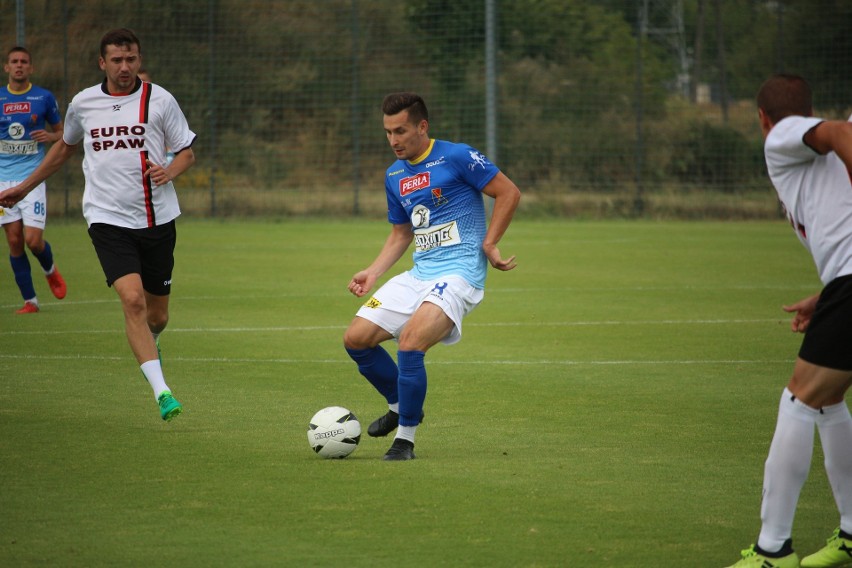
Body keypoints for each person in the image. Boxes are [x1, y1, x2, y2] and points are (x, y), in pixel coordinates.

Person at [0, 28, 196, 422]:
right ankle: (162, 392)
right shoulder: (84, 103)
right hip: (106, 219)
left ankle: (151, 343)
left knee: (157, 316)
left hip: (158, 219)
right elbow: (64, 148)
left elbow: (186, 152)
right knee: (132, 300)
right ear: (102, 63)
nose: (125, 67)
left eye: (132, 59)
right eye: (117, 60)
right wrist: (23, 188)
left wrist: (170, 171)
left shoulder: (160, 100)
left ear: (139, 61)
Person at [343, 92, 521, 461]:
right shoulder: (393, 175)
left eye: (401, 130)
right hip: (420, 272)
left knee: (410, 343)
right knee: (356, 339)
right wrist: (373, 272)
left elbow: (508, 192)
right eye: (388, 132)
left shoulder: (456, 156)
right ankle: (399, 405)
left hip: (460, 273)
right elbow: (401, 233)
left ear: (422, 127)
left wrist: (490, 243)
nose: (394, 140)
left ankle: (405, 439)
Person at [726, 74, 852, 568]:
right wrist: (826, 299)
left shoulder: (781, 137)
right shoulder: (814, 155)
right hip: (843, 284)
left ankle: (772, 550)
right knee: (828, 400)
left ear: (762, 118)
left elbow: (842, 135)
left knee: (799, 399)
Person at [1, 46, 66, 314]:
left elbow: (63, 133)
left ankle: (50, 270)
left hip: (33, 179)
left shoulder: (44, 97)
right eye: (14, 61)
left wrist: (50, 137)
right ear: (6, 67)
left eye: (24, 62)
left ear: (31, 68)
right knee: (14, 240)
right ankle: (31, 301)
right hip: (3, 180)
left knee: (33, 241)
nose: (19, 65)